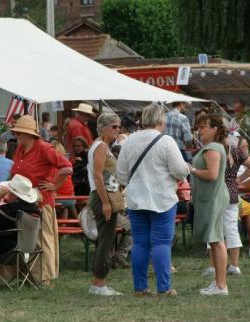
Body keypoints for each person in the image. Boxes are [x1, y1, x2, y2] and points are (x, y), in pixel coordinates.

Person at [117, 103, 189, 296]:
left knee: (140, 243)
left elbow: (121, 175)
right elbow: (180, 170)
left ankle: (140, 288)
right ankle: (164, 288)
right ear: (160, 120)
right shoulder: (166, 142)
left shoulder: (129, 142)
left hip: (136, 201)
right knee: (161, 243)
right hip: (162, 199)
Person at [10, 115, 72, 285]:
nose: (17, 135)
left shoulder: (44, 148)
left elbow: (67, 167)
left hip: (41, 202)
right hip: (22, 202)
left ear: (29, 134)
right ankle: (29, 277)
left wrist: (54, 186)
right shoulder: (20, 149)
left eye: (20, 133)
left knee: (43, 241)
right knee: (27, 241)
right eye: (17, 132)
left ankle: (45, 279)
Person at [202, 138, 250, 277]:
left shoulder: (212, 149)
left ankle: (213, 266)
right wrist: (239, 179)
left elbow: (210, 173)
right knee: (232, 229)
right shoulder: (236, 151)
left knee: (214, 229)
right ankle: (234, 265)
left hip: (215, 192)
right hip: (232, 192)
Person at [190, 114, 230, 296]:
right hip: (211, 197)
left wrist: (192, 169)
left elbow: (212, 174)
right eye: (200, 126)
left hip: (213, 198)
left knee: (217, 240)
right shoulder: (213, 147)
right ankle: (218, 283)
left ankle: (221, 285)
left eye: (204, 126)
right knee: (215, 241)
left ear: (214, 129)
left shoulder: (213, 148)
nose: (201, 130)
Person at [85, 112, 123, 296]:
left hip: (103, 195)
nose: (118, 129)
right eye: (114, 126)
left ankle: (99, 282)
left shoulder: (101, 145)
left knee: (105, 240)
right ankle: (99, 284)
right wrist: (106, 202)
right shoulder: (100, 146)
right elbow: (98, 176)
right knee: (105, 242)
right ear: (103, 128)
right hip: (102, 196)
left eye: (118, 126)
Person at [50, 141, 77, 219]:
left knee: (61, 205)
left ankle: (62, 228)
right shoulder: (67, 164)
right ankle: (79, 223)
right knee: (66, 206)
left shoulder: (52, 167)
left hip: (61, 199)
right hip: (72, 198)